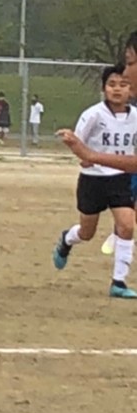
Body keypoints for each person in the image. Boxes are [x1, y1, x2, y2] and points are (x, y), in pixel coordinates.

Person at [52, 66, 137, 298]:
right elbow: (79, 143)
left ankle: (119, 282)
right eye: (112, 84)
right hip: (93, 180)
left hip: (120, 179)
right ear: (103, 88)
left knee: (127, 226)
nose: (117, 89)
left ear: (131, 90)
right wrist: (83, 156)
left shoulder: (135, 116)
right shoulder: (94, 115)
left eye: (123, 85)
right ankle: (67, 240)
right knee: (87, 232)